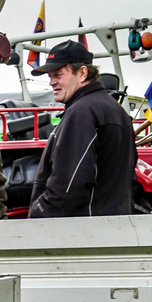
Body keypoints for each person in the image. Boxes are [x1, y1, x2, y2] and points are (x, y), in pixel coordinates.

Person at [27, 40, 137, 218]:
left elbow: (69, 185)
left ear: (82, 73)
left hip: (82, 231)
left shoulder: (81, 112)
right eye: (50, 76)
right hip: (113, 228)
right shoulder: (116, 110)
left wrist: (39, 215)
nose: (52, 82)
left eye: (58, 74)